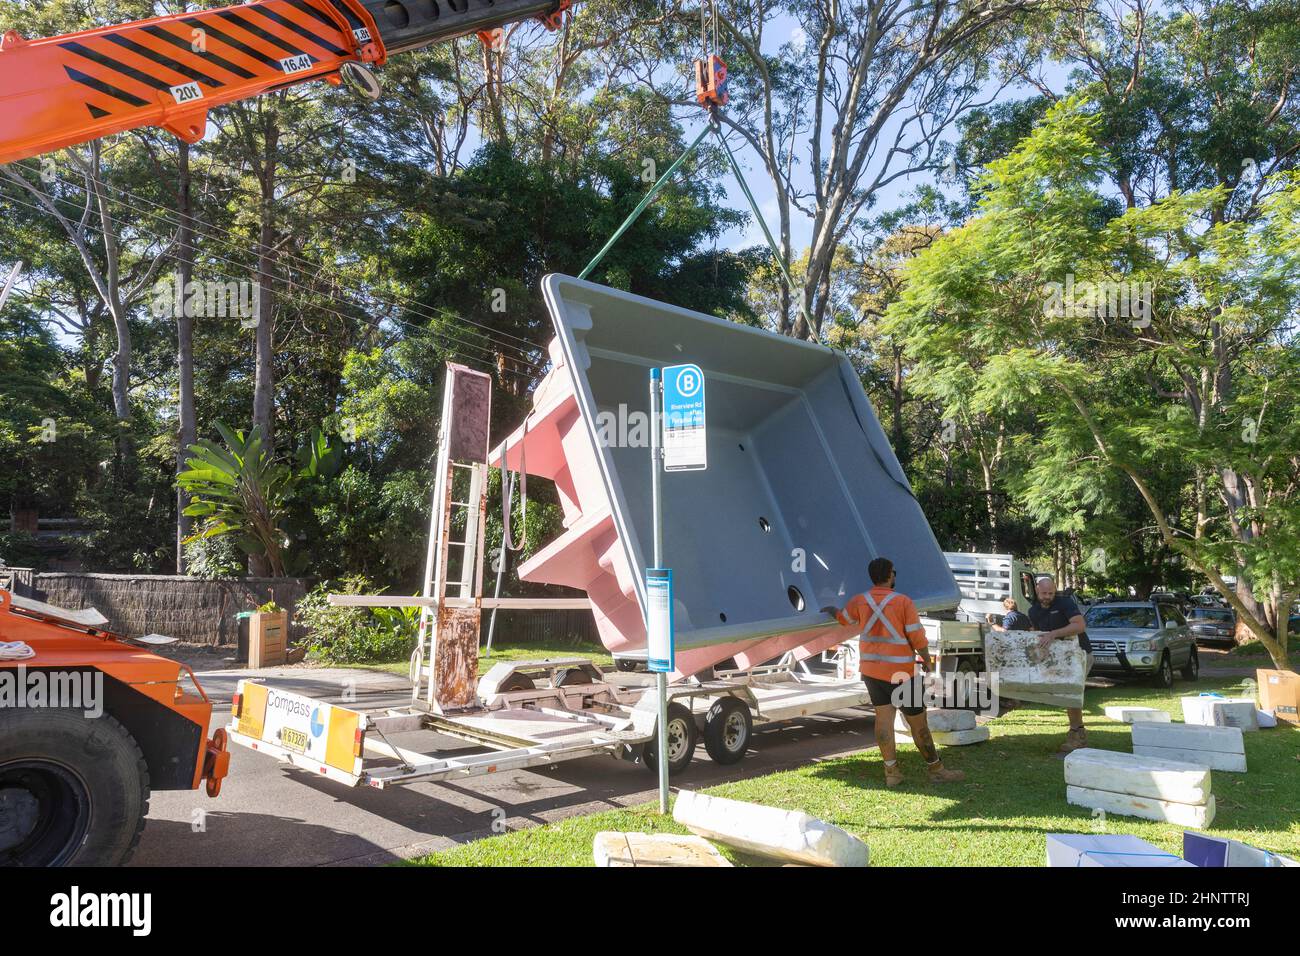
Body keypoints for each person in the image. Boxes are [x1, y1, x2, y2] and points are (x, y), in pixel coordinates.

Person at [827, 557, 966, 788]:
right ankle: (936, 769)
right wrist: (928, 661)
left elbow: (844, 619)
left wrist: (832, 610)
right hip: (901, 674)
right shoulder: (903, 602)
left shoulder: (860, 601)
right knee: (918, 723)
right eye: (894, 572)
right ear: (890, 575)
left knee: (883, 721)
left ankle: (891, 772)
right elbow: (917, 638)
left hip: (871, 672)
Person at [1028, 575, 1092, 754]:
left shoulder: (1065, 603)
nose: (1047, 596)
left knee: (1070, 691)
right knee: (1067, 692)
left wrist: (1053, 634)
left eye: (1050, 593)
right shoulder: (1033, 611)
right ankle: (1078, 733)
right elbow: (1038, 633)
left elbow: (1080, 625)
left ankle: (1076, 735)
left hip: (1081, 653)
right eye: (1044, 593)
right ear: (1037, 591)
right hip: (1061, 657)